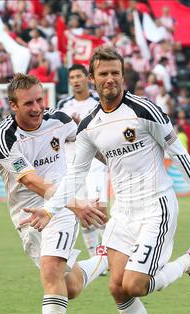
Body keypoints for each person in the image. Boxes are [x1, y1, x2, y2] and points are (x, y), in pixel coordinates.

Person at [21, 47, 190, 314]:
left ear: (123, 75)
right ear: (93, 80)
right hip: (122, 213)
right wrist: (48, 209)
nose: (110, 78)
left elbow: (178, 151)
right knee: (117, 286)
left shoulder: (144, 110)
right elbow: (74, 177)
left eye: (115, 72)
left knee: (136, 284)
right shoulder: (89, 126)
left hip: (156, 207)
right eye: (103, 74)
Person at [0, 73, 108, 314]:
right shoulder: (3, 138)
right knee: (68, 286)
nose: (37, 107)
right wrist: (75, 202)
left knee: (50, 269)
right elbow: (30, 180)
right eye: (28, 103)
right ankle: (104, 259)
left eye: (40, 100)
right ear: (12, 106)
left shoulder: (60, 120)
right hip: (27, 217)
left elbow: (91, 142)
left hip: (62, 209)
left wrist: (119, 164)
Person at [57, 64, 108, 259]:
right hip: (73, 164)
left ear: (87, 78)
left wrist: (81, 128)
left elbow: (104, 130)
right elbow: (58, 135)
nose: (76, 80)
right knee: (83, 211)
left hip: (96, 164)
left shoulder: (98, 101)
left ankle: (109, 253)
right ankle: (96, 257)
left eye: (79, 76)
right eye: (72, 78)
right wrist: (70, 132)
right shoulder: (63, 105)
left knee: (100, 210)